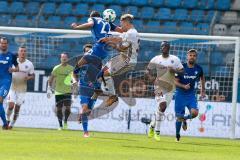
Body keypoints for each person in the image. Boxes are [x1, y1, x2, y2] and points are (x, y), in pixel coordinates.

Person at [96, 14, 140, 107]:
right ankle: (103, 90)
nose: (120, 26)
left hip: (128, 60)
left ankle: (112, 96)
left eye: (121, 23)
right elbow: (119, 38)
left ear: (126, 22)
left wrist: (109, 42)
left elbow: (121, 48)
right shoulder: (129, 32)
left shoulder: (131, 33)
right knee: (101, 74)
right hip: (121, 57)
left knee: (105, 74)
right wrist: (107, 38)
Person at [147, 41, 184, 141]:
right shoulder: (156, 59)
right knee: (162, 106)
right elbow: (148, 69)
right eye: (163, 46)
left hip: (170, 88)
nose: (164, 48)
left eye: (166, 46)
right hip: (159, 86)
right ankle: (157, 132)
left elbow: (182, 71)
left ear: (169, 48)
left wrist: (175, 71)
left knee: (161, 110)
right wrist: (151, 78)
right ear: (160, 48)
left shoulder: (175, 59)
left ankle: (152, 125)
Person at [174, 49, 205, 142]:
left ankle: (185, 119)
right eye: (190, 55)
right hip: (180, 95)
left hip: (191, 95)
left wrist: (202, 91)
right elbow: (174, 81)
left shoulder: (199, 68)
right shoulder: (181, 68)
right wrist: (183, 86)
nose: (192, 57)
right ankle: (177, 135)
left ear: (196, 57)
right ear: (187, 56)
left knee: (195, 113)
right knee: (179, 116)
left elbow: (202, 78)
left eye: (194, 55)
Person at [72, 44, 97, 138]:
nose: (88, 52)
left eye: (89, 51)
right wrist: (75, 81)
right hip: (83, 88)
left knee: (88, 111)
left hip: (94, 90)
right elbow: (73, 73)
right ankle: (86, 132)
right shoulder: (80, 63)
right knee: (85, 107)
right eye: (86, 51)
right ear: (84, 52)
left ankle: (81, 114)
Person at [6, 46, 34, 129]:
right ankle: (7, 120)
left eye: (24, 51)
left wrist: (28, 78)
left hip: (22, 89)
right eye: (21, 51)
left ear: (26, 53)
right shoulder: (14, 61)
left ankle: (12, 124)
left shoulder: (29, 64)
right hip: (12, 87)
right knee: (11, 105)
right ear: (18, 52)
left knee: (17, 108)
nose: (23, 52)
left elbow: (32, 75)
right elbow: (7, 70)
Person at [47, 53, 74, 130]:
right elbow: (51, 78)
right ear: (60, 59)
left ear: (68, 58)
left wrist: (74, 86)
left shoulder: (71, 68)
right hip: (58, 91)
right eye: (62, 57)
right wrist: (49, 88)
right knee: (59, 109)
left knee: (68, 108)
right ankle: (60, 125)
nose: (64, 59)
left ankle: (65, 121)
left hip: (68, 91)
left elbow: (74, 78)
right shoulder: (56, 68)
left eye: (65, 57)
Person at [0, 37, 19, 129]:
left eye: (5, 43)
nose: (3, 45)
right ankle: (5, 124)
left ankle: (5, 124)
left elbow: (17, 68)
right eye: (2, 43)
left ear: (7, 44)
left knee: (0, 99)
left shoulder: (12, 55)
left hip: (6, 81)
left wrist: (13, 69)